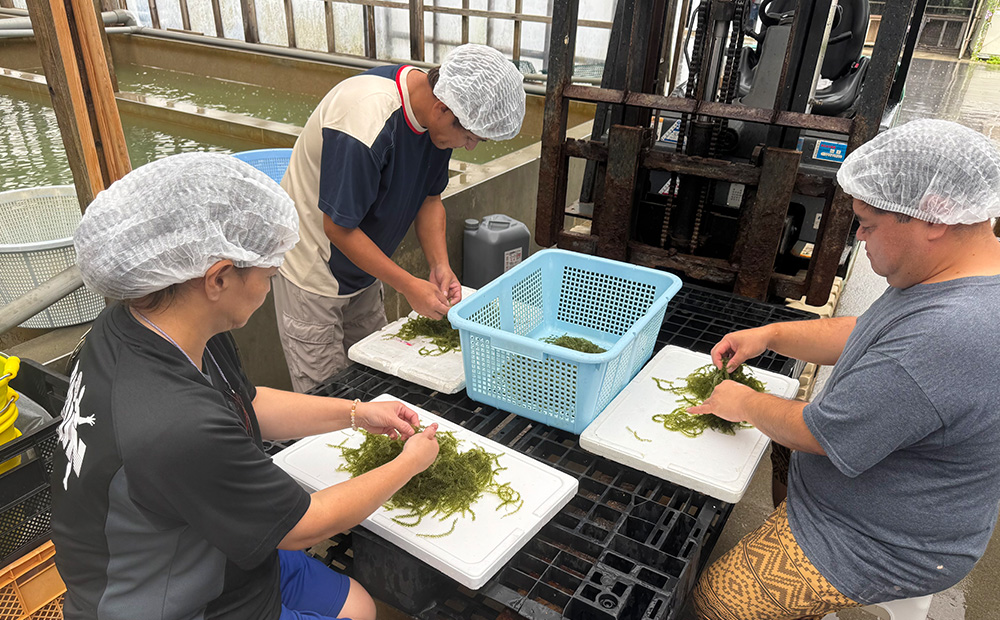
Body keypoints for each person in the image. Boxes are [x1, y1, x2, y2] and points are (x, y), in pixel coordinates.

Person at [52, 153, 441, 620]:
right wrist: (410, 464)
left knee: (358, 606)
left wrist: (356, 414)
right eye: (269, 276)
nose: (270, 287)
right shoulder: (174, 423)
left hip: (219, 550)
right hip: (176, 601)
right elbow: (302, 525)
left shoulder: (146, 323)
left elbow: (246, 401)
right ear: (217, 277)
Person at [688, 119, 1000, 619]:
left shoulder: (952, 333)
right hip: (879, 493)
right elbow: (868, 330)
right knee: (777, 444)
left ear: (935, 215)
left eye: (869, 223)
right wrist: (772, 335)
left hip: (886, 540)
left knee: (717, 599)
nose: (859, 235)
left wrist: (742, 401)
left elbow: (820, 431)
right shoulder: (964, 270)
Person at [275, 43, 526, 392]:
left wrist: (440, 264)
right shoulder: (365, 121)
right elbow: (337, 227)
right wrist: (408, 285)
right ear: (443, 109)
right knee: (329, 398)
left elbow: (430, 199)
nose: (469, 146)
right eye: (469, 137)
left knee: (375, 379)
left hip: (365, 267)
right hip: (314, 271)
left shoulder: (436, 120)